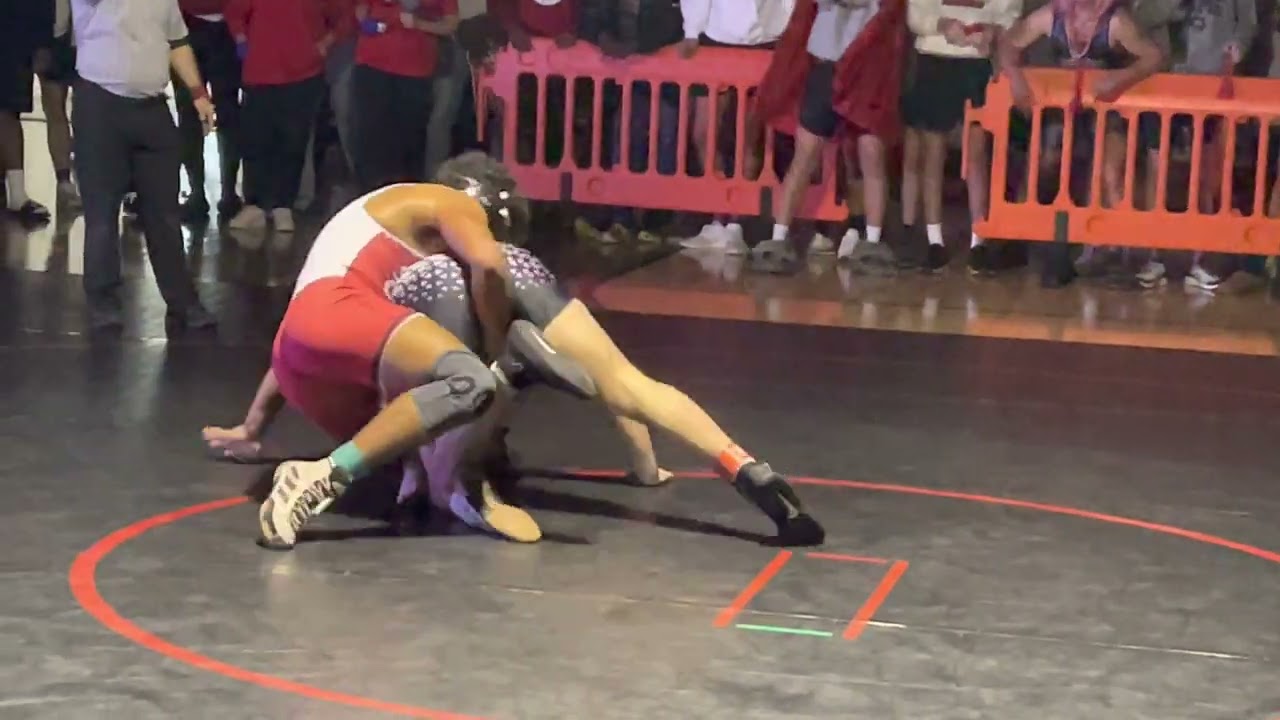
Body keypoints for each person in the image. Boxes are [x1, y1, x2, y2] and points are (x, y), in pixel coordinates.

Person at [207, 153, 827, 547]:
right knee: (484, 380)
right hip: (354, 337)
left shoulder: (389, 228)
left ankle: (456, 457)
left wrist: (253, 426)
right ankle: (740, 463)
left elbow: (298, 343)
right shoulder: (454, 216)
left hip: (319, 357)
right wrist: (642, 463)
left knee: (452, 397)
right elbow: (497, 273)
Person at [204, 178, 598, 550]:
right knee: (470, 381)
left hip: (300, 362)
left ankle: (451, 473)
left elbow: (296, 349)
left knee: (426, 430)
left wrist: (252, 428)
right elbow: (489, 264)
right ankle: (323, 475)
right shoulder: (454, 203)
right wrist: (495, 340)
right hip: (335, 312)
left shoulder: (383, 215)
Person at [70, 0, 218, 330]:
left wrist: (198, 92)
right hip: (100, 105)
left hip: (152, 108)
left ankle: (182, 301)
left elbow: (176, 40)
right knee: (102, 213)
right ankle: (103, 299)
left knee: (164, 214)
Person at [998, 0, 1164, 286]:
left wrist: (1122, 77)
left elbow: (1152, 56)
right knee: (1045, 162)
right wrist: (1016, 78)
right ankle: (1026, 238)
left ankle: (1122, 249)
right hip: (1066, 105)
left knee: (1111, 172)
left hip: (1109, 106)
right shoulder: (1052, 15)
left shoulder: (1115, 22)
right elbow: (1009, 42)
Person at [750, 0, 909, 274]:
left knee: (871, 154)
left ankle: (872, 241)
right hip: (825, 67)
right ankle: (778, 237)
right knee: (805, 155)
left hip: (867, 71)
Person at [901, 0, 1020, 274]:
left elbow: (1010, 13)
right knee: (933, 152)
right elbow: (915, 13)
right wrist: (941, 24)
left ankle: (979, 240)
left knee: (976, 153)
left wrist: (993, 30)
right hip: (933, 58)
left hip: (976, 63)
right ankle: (934, 241)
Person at [225, 0, 338, 233]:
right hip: (260, 71)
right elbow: (234, 11)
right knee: (256, 140)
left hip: (303, 73)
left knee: (293, 141)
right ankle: (255, 205)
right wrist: (241, 39)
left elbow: (344, 16)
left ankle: (283, 206)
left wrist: (326, 43)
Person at [351, 0, 459, 192]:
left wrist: (419, 24)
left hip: (415, 70)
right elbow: (360, 8)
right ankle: (369, 195)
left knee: (409, 138)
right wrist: (366, 22)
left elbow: (450, 24)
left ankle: (407, 195)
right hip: (371, 64)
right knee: (370, 136)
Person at [174, 0, 245, 223]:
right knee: (220, 113)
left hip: (212, 24)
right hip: (194, 25)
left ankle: (210, 194)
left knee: (200, 114)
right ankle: (218, 194)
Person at [0, 0, 54, 224]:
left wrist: (42, 44)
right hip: (17, 35)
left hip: (14, 37)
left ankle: (17, 193)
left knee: (7, 110)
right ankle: (15, 193)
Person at [38, 0, 80, 209]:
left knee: (86, 111)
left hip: (88, 37)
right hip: (54, 37)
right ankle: (64, 181)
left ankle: (75, 178)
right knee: (55, 110)